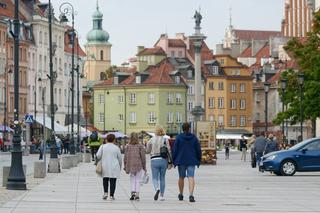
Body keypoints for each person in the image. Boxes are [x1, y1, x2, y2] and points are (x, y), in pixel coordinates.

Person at [172, 122, 201, 203]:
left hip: (181, 160)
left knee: (181, 177)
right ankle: (191, 195)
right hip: (191, 160)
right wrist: (199, 159)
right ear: (189, 128)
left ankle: (181, 194)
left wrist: (174, 160)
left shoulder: (179, 137)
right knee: (191, 177)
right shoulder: (194, 137)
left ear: (182, 128)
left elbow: (175, 150)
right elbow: (198, 149)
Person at [146, 126, 172, 201]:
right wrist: (170, 162)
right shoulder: (165, 140)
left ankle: (157, 188)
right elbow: (169, 151)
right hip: (163, 160)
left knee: (154, 177)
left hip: (154, 159)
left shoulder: (151, 140)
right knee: (162, 178)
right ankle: (162, 196)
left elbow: (147, 151)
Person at [96, 134, 122, 200]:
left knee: (105, 179)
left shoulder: (102, 146)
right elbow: (120, 158)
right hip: (114, 166)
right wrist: (120, 167)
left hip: (105, 165)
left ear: (106, 139)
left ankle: (105, 193)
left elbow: (98, 155)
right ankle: (112, 195)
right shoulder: (116, 148)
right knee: (113, 180)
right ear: (114, 140)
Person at [124, 132, 146, 201]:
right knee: (138, 180)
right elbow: (143, 157)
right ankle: (137, 195)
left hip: (130, 165)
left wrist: (125, 165)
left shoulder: (127, 146)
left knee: (132, 179)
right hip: (138, 165)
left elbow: (125, 157)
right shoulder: (140, 146)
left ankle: (133, 192)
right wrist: (144, 166)